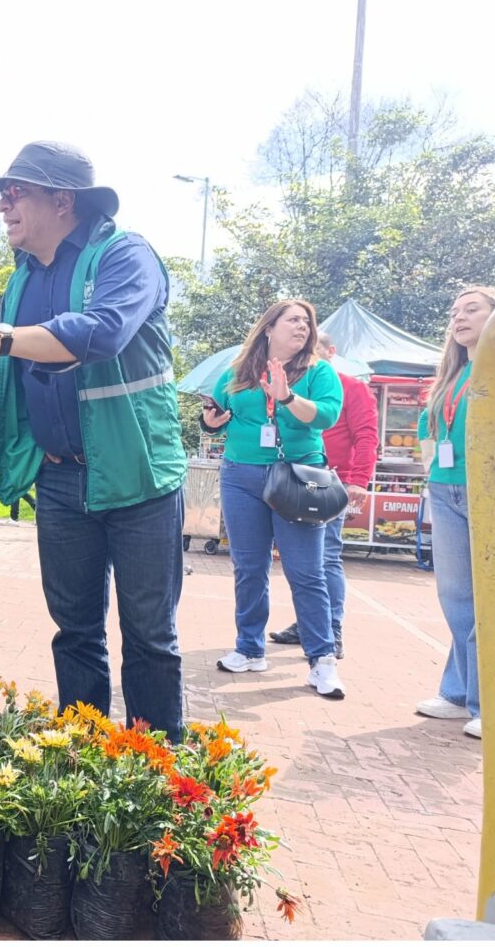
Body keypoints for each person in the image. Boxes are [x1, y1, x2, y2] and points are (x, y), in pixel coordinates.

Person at [0, 141, 185, 734]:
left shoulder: (126, 256)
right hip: (62, 481)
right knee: (75, 633)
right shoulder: (22, 279)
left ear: (63, 200)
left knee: (150, 638)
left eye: (15, 193)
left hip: (139, 479)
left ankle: (157, 775)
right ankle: (83, 764)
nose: (2, 206)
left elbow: (102, 332)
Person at [198, 299, 346, 700]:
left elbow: (326, 416)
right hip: (240, 476)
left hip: (298, 478)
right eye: (293, 320)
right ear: (268, 327)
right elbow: (216, 413)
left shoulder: (318, 371)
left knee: (306, 572)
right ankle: (249, 648)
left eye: (306, 322)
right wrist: (209, 422)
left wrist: (287, 398)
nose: (302, 327)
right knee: (249, 567)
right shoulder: (239, 369)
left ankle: (322, 660)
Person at [413, 285, 495, 738]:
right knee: (456, 596)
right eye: (454, 312)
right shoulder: (452, 373)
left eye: (471, 309)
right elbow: (429, 431)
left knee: (486, 599)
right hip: (445, 489)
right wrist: (431, 472)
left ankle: (486, 703)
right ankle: (459, 692)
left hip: (488, 489)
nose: (459, 318)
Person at [273, 335, 373, 662]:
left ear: (331, 352)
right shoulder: (289, 386)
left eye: (314, 350)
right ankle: (309, 623)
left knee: (326, 556)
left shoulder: (352, 387)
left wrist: (359, 480)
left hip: (331, 481)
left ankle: (331, 628)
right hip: (296, 478)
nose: (307, 356)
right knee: (302, 560)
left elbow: (366, 435)